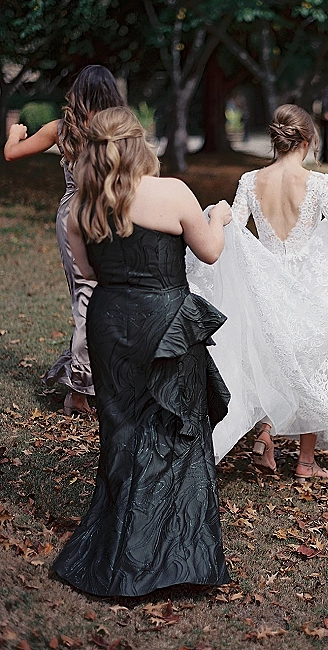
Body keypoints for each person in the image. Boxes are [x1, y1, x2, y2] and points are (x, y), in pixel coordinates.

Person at [53, 107, 232, 597]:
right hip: (166, 324)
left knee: (121, 427)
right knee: (175, 430)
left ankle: (120, 549)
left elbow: (88, 272)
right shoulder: (172, 192)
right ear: (138, 144)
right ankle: (174, 556)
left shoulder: (80, 208)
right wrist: (219, 215)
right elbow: (211, 250)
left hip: (111, 322)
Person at [187, 104, 328, 480]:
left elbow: (234, 232)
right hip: (308, 283)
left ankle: (265, 431)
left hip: (267, 283)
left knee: (274, 358)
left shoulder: (250, 180)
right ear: (306, 140)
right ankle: (305, 461)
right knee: (313, 360)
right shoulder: (318, 184)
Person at [4, 66, 124, 415]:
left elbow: (13, 153)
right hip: (112, 216)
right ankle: (84, 385)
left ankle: (82, 384)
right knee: (107, 296)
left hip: (73, 216)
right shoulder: (119, 129)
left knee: (85, 298)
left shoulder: (62, 129)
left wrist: (14, 132)